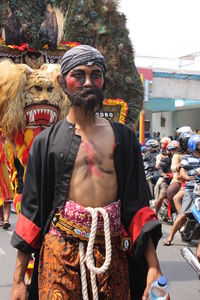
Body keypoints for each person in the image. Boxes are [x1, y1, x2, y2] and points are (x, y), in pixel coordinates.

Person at [11, 45, 164, 300]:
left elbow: (138, 207)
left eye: (95, 75)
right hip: (59, 255)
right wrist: (18, 281)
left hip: (112, 255)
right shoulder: (46, 142)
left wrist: (153, 266)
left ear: (103, 81)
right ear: (62, 82)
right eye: (78, 75)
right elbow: (31, 212)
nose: (88, 82)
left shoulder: (124, 138)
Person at [164, 134, 200, 246]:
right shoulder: (187, 159)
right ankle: (170, 238)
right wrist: (188, 177)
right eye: (199, 144)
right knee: (182, 215)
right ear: (193, 145)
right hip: (191, 190)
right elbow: (182, 171)